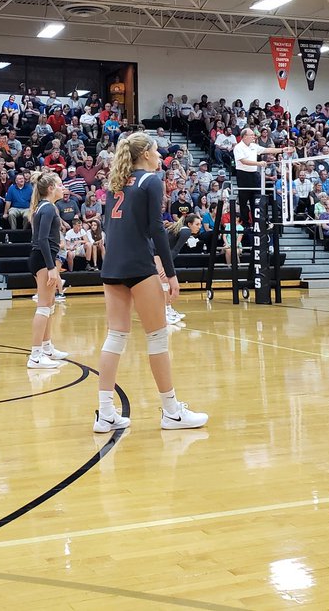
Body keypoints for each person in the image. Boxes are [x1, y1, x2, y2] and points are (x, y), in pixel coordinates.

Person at [94, 132, 207, 433]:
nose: (161, 157)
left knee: (115, 337)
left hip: (113, 265)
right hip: (139, 265)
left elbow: (107, 228)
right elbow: (157, 230)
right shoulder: (150, 181)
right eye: (158, 152)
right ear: (145, 154)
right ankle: (171, 411)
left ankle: (105, 412)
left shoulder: (116, 182)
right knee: (157, 337)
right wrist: (170, 274)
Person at [26, 171, 71, 367]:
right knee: (44, 306)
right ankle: (35, 356)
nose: (63, 187)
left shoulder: (47, 207)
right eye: (60, 185)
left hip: (44, 259)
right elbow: (42, 239)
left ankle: (46, 347)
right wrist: (52, 268)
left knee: (50, 304)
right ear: (51, 188)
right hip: (42, 260)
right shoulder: (48, 209)